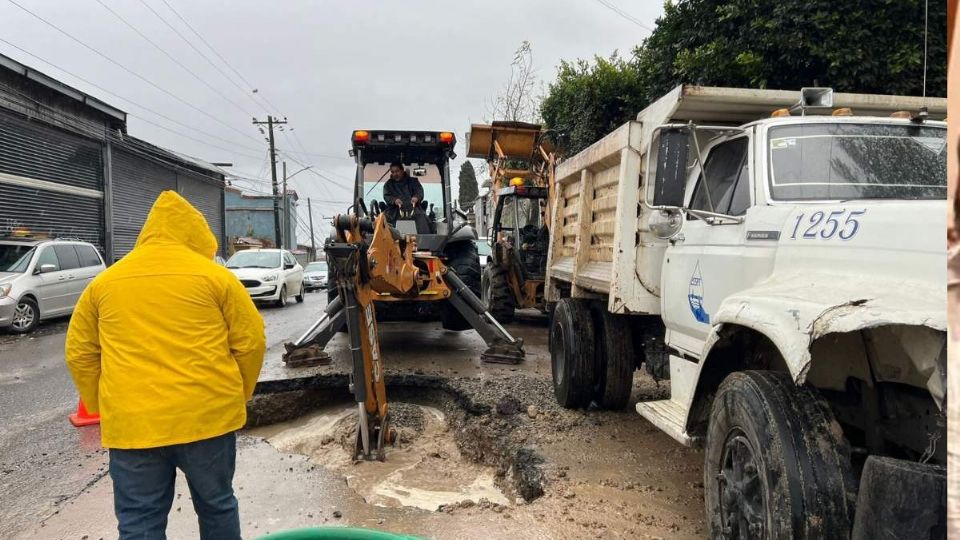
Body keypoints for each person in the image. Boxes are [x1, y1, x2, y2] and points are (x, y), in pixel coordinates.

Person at [65, 191, 266, 540]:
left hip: (133, 426)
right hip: (207, 419)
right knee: (217, 505)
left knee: (139, 522)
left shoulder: (104, 283)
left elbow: (80, 354)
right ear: (197, 235)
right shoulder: (217, 279)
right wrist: (239, 394)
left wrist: (102, 406)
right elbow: (251, 343)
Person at [382, 162, 431, 233]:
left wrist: (416, 198)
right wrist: (394, 200)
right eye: (393, 172)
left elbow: (419, 192)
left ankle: (425, 240)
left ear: (402, 171)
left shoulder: (413, 181)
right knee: (383, 220)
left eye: (397, 171)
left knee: (422, 218)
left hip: (413, 208)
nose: (395, 174)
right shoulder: (388, 184)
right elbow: (387, 196)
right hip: (394, 210)